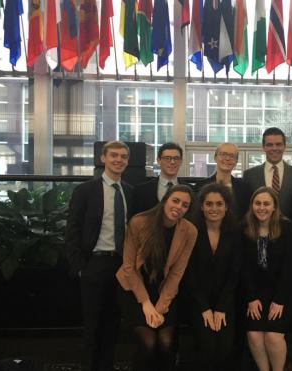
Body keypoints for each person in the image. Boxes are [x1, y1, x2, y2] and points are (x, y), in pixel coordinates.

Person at [65, 140, 134, 371]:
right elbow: (72, 229)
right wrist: (80, 266)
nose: (118, 160)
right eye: (114, 155)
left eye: (123, 156)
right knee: (92, 325)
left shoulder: (131, 192)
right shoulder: (85, 190)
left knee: (114, 323)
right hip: (94, 263)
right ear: (103, 158)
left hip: (121, 265)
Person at [116, 184, 197, 371]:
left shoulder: (190, 231)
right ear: (165, 200)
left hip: (164, 290)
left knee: (166, 342)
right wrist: (145, 304)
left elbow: (177, 273)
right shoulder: (139, 222)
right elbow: (129, 268)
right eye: (175, 200)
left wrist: (160, 307)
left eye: (185, 205)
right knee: (149, 342)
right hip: (133, 288)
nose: (179, 207)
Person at [185, 183, 242, 370]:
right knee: (207, 349)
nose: (214, 209)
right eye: (209, 204)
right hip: (198, 302)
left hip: (226, 302)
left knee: (225, 349)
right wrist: (204, 308)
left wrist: (221, 308)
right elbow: (189, 273)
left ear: (226, 206)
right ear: (201, 206)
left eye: (219, 204)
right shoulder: (191, 232)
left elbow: (235, 273)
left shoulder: (235, 233)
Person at [242, 187, 292, 371]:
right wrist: (251, 298)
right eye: (257, 203)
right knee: (254, 335)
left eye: (267, 203)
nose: (262, 208)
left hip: (283, 293)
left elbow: (290, 268)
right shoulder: (244, 228)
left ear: (274, 207)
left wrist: (280, 300)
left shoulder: (287, 228)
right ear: (252, 205)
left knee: (273, 336)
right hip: (255, 293)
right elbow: (243, 268)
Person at [243, 127, 292, 220]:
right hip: (257, 231)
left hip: (289, 230)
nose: (274, 148)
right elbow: (247, 208)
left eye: (278, 144)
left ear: (284, 146)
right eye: (269, 145)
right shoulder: (249, 175)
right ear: (263, 147)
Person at [195, 142, 252, 220]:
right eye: (223, 154)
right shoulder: (200, 186)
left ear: (236, 161)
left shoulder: (244, 188)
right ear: (215, 158)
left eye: (232, 156)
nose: (227, 158)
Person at [132, 142, 189, 215]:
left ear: (181, 161)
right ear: (159, 161)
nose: (172, 162)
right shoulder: (141, 190)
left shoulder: (190, 191)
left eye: (176, 158)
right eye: (167, 158)